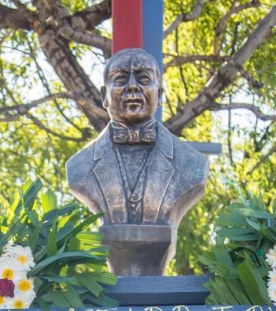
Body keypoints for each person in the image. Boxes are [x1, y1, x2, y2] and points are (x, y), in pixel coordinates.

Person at [65, 48, 208, 230]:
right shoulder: (78, 167)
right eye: (120, 79)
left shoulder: (192, 163)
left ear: (160, 94)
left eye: (144, 79)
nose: (132, 86)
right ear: (104, 96)